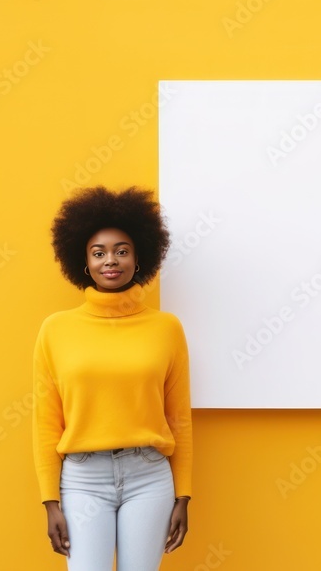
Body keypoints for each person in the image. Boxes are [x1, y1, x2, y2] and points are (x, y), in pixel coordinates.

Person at [32, 185, 193, 570]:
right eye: (99, 252)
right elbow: (46, 421)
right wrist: (50, 502)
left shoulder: (166, 328)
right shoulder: (56, 329)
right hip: (82, 478)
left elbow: (179, 418)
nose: (111, 260)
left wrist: (183, 496)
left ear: (138, 260)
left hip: (149, 476)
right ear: (84, 261)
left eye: (122, 251)